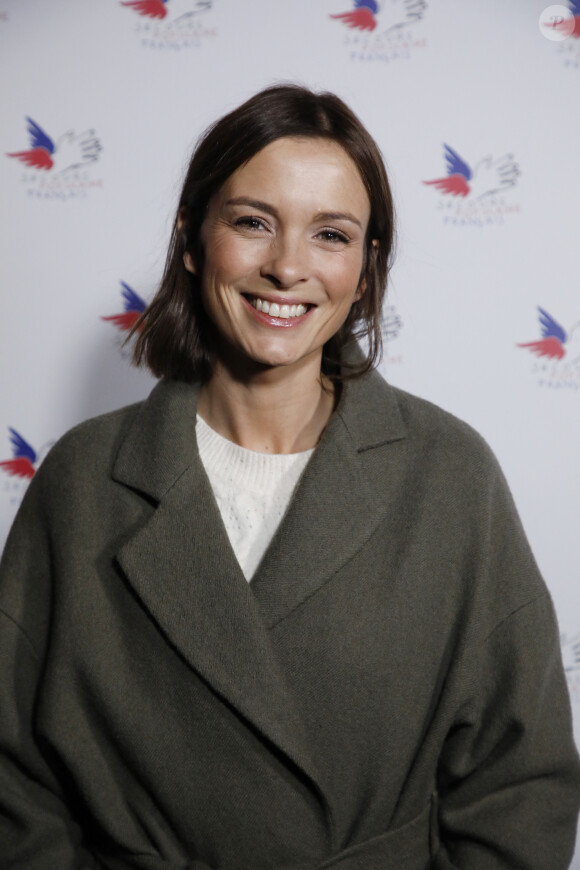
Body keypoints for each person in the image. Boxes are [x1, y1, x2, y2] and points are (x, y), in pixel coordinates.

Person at [0, 84, 578, 870]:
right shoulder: (82, 480)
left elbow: (520, 786)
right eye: (252, 222)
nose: (287, 267)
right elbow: (13, 780)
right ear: (194, 240)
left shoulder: (450, 476)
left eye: (331, 235)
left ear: (367, 270)